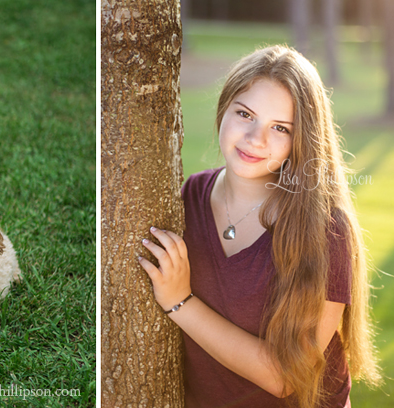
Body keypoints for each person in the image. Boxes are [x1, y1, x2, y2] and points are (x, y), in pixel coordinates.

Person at [137, 45, 380, 408]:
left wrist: (180, 302)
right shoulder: (187, 197)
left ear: (302, 140)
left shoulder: (326, 229)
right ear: (224, 109)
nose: (256, 139)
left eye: (280, 127)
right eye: (245, 114)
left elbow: (287, 377)